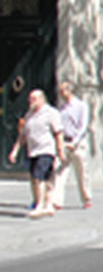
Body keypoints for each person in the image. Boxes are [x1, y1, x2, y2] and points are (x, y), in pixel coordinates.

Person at [8, 89, 66, 219]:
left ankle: (40, 205)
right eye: (29, 99)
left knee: (39, 177)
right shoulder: (29, 115)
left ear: (41, 99)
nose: (30, 102)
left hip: (46, 150)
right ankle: (48, 205)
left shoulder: (51, 113)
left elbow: (59, 133)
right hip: (32, 151)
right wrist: (15, 151)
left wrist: (60, 151)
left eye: (33, 99)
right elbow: (23, 135)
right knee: (42, 179)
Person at [51, 81, 92, 209]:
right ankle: (57, 200)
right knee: (59, 172)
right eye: (60, 91)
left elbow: (83, 126)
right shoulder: (61, 109)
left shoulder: (81, 105)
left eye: (63, 91)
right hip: (64, 141)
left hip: (77, 142)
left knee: (81, 171)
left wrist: (75, 141)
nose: (61, 93)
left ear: (70, 90)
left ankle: (86, 198)